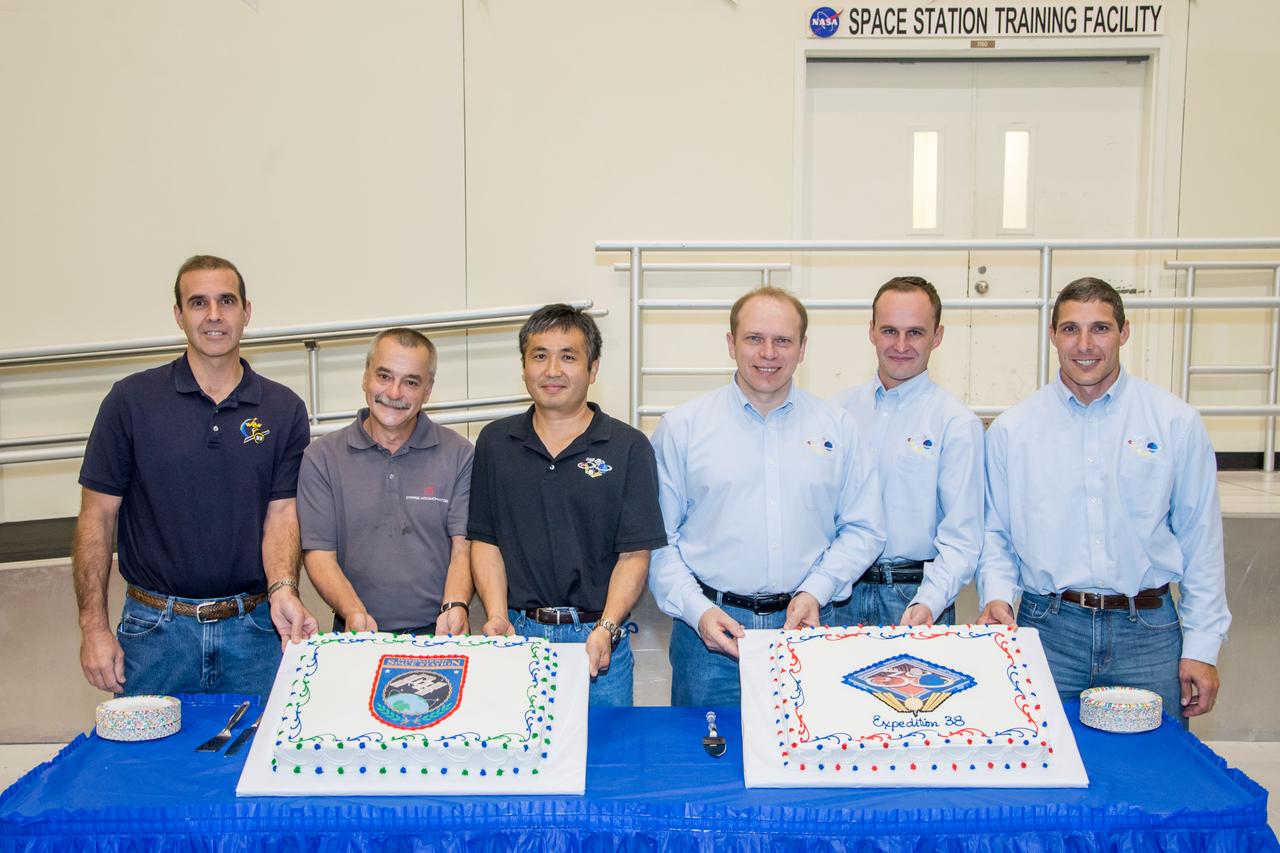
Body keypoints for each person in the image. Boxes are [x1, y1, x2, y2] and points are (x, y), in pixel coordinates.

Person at [977, 277, 1229, 719]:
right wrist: (997, 595)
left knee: (1155, 776)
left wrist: (1202, 646)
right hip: (1049, 631)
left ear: (1124, 332)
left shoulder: (1175, 423)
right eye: (1071, 329)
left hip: (1148, 633)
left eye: (1101, 328)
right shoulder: (1013, 430)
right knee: (1049, 776)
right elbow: (996, 533)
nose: (1085, 344)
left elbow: (1201, 540)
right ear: (1052, 335)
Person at [74, 255, 317, 697]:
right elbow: (96, 519)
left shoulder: (283, 409)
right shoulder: (130, 401)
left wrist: (284, 588)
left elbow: (281, 515)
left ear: (247, 311)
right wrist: (93, 628)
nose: (214, 316)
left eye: (226, 301)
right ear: (179, 316)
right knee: (144, 765)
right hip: (154, 636)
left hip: (254, 634)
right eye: (198, 303)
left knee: (252, 763)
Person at [649, 286, 885, 707]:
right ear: (730, 343)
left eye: (783, 340)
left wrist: (816, 590)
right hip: (709, 636)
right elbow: (657, 542)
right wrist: (697, 611)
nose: (768, 354)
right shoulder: (683, 429)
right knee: (704, 765)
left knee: (806, 764)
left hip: (808, 627)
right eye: (754, 338)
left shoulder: (839, 428)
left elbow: (864, 529)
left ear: (803, 347)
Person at [467, 304, 667, 706]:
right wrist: (496, 615)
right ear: (523, 367)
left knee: (605, 764)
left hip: (599, 643)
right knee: (519, 763)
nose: (552, 370)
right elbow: (485, 541)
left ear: (593, 370)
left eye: (568, 357)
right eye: (539, 355)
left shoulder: (628, 447)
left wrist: (607, 628)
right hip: (517, 638)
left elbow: (634, 554)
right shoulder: (494, 442)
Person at [297, 328, 474, 636]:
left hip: (440, 633)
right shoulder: (321, 457)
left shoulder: (461, 455)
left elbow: (463, 547)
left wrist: (454, 605)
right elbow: (319, 553)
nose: (394, 393)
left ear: (428, 389)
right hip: (356, 630)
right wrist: (354, 612)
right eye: (384, 376)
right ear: (365, 377)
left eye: (411, 382)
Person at [830, 276, 983, 627]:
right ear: (871, 331)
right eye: (889, 331)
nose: (900, 344)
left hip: (916, 598)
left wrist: (929, 601)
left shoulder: (956, 424)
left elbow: (963, 536)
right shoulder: (837, 414)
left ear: (937, 336)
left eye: (914, 332)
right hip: (840, 594)